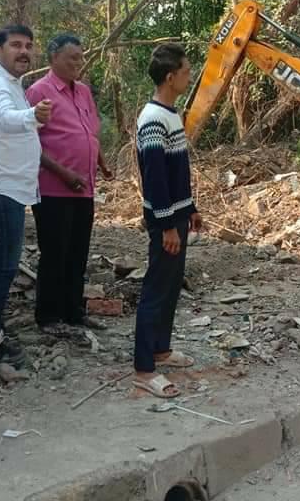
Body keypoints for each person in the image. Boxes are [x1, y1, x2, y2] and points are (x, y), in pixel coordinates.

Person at [0, 25, 51, 365]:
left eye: (29, 46)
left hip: (11, 187)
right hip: (0, 188)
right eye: (15, 45)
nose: (24, 51)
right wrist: (33, 115)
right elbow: (5, 118)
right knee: (4, 267)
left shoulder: (11, 84)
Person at [25, 34, 113, 338]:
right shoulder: (39, 92)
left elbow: (90, 132)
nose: (78, 62)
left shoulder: (84, 92)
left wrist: (100, 161)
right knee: (55, 252)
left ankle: (74, 312)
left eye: (81, 56)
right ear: (53, 58)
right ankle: (48, 316)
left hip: (84, 187)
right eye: (71, 57)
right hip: (53, 189)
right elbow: (29, 145)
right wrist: (63, 173)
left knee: (78, 250)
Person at [133, 43, 203, 399]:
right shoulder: (152, 119)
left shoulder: (171, 114)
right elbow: (155, 178)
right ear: (170, 76)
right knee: (156, 289)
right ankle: (144, 367)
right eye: (187, 71)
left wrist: (189, 208)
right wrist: (165, 226)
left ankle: (161, 348)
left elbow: (178, 171)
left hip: (176, 215)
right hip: (165, 220)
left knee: (171, 285)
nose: (190, 76)